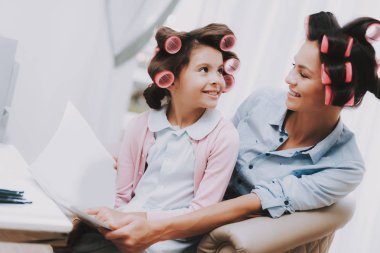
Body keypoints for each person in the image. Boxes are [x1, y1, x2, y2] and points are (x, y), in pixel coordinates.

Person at [87, 11, 380, 253]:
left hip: (213, 225)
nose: (288, 79)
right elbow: (209, 145)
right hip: (183, 207)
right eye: (294, 66)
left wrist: (152, 227)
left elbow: (247, 206)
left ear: (342, 94)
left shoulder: (345, 166)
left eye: (303, 74)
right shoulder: (262, 102)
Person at [73, 24, 241, 253]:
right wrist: (117, 222)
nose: (217, 80)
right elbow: (122, 195)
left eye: (220, 71)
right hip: (124, 226)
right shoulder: (140, 126)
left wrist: (141, 219)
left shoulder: (224, 137)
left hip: (172, 241)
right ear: (170, 80)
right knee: (82, 238)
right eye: (204, 69)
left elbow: (203, 211)